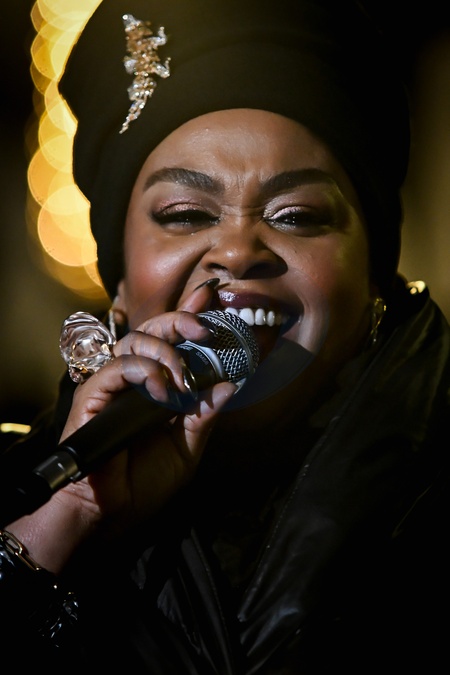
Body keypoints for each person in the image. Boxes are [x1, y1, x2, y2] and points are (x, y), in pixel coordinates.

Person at [1, 0, 449, 672]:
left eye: (297, 215)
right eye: (185, 214)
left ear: (375, 276)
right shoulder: (21, 495)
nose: (238, 251)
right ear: (117, 281)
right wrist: (59, 527)